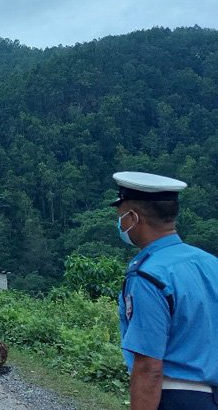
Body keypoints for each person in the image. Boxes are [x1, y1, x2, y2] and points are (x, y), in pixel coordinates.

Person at [112, 171, 218, 410]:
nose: (119, 223)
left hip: (176, 398)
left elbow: (149, 367)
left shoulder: (149, 275)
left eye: (120, 216)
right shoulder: (211, 264)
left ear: (133, 218)